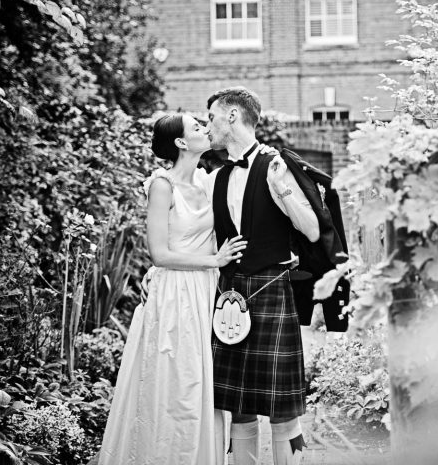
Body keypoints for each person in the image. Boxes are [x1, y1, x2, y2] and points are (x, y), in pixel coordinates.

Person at [97, 113, 248, 465]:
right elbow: (160, 254)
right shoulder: (162, 185)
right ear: (181, 142)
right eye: (196, 127)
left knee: (201, 382)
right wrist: (214, 261)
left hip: (206, 292)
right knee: (173, 382)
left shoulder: (208, 180)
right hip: (174, 294)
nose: (204, 129)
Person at [206, 87, 320, 465]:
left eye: (212, 117)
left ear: (233, 116)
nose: (208, 126)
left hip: (271, 288)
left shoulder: (276, 165)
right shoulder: (218, 176)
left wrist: (282, 189)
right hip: (230, 295)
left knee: (283, 410)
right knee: (238, 406)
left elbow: (312, 230)